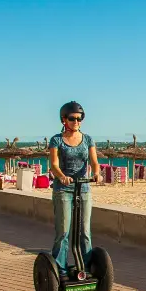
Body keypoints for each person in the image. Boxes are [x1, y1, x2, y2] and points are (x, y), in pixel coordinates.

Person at [48, 101, 100, 278]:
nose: (76, 121)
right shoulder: (56, 140)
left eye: (80, 118)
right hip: (63, 189)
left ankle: (85, 267)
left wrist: (97, 173)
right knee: (63, 231)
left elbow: (94, 162)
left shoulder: (88, 139)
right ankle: (60, 270)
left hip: (83, 187)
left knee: (85, 231)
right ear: (64, 119)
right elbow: (54, 164)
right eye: (72, 118)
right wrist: (61, 175)